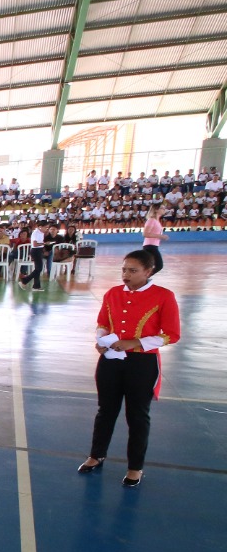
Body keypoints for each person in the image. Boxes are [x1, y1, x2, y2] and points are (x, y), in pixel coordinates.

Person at [78, 250, 180, 487]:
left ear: (148, 271)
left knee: (137, 416)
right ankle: (96, 454)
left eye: (133, 271)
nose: (126, 275)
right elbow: (103, 323)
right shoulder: (113, 293)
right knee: (106, 411)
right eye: (124, 270)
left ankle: (135, 467)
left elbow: (171, 335)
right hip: (111, 360)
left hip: (142, 364)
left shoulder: (164, 296)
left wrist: (135, 343)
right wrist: (100, 340)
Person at [18, 223, 46, 291]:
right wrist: (44, 243)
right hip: (36, 250)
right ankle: (24, 281)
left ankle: (36, 286)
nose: (46, 229)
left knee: (38, 269)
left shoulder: (41, 233)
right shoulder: (36, 233)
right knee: (38, 269)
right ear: (40, 227)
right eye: (46, 227)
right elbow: (35, 244)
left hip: (39, 250)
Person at [141, 206, 166, 274]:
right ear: (156, 210)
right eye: (162, 208)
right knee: (159, 265)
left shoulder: (157, 221)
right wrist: (160, 236)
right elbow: (145, 234)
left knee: (148, 266)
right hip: (150, 246)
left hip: (153, 246)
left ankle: (143, 279)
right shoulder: (151, 220)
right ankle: (143, 279)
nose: (164, 210)